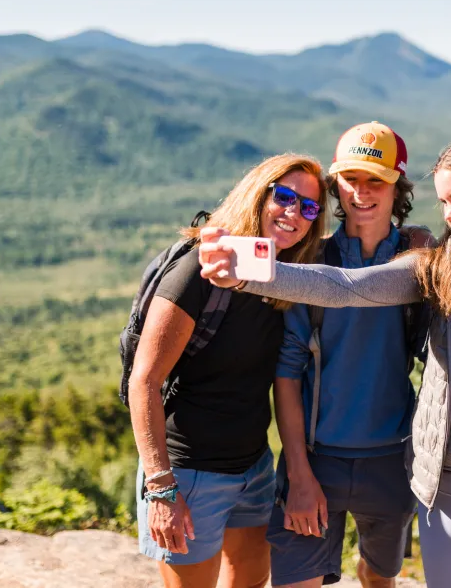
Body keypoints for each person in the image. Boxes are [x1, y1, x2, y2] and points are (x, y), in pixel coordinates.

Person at [199, 133, 451, 588]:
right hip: (436, 490)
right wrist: (247, 272)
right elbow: (347, 287)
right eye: (445, 201)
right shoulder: (439, 266)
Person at [128, 153, 328, 588]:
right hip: (189, 472)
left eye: (309, 207)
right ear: (258, 195)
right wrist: (161, 489)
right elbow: (143, 380)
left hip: (253, 467)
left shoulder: (280, 274)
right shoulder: (197, 272)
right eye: (285, 197)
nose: (294, 213)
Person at [267, 122, 433, 587]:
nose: (361, 192)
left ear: (397, 185)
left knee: (379, 577)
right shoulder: (311, 261)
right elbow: (287, 373)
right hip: (316, 458)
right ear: (335, 184)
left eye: (375, 180)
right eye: (350, 179)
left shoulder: (419, 260)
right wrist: (298, 472)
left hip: (392, 459)